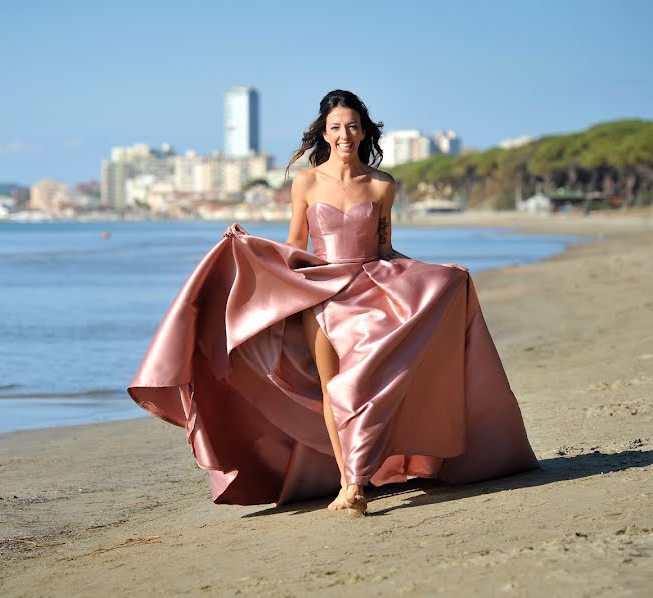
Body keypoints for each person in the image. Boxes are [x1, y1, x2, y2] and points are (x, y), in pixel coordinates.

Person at [127, 90, 538, 516]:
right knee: (330, 389)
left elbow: (386, 250)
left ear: (365, 131)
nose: (345, 134)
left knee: (364, 385)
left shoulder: (382, 184)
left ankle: (359, 476)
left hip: (370, 291)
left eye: (353, 126)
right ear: (324, 133)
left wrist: (436, 274)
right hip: (321, 295)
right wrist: (247, 245)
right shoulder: (305, 181)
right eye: (336, 127)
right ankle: (349, 482)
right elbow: (293, 247)